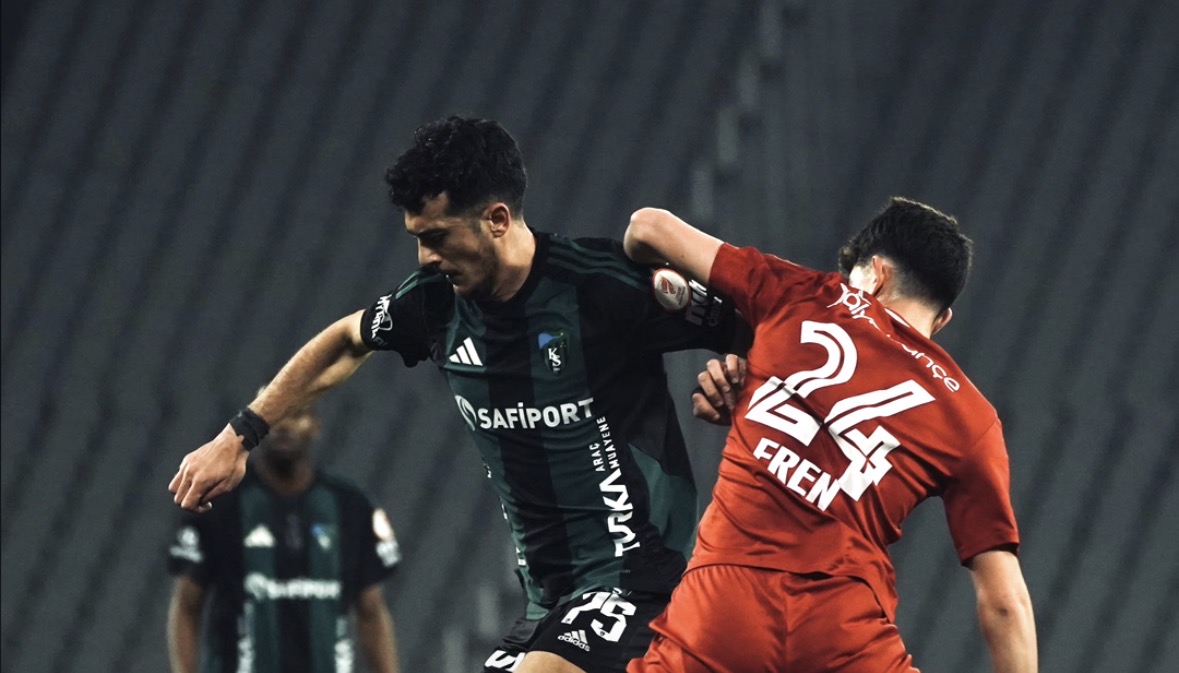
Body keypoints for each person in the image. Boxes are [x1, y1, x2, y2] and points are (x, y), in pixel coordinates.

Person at [168, 116, 746, 673]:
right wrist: (239, 436)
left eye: (438, 237)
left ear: (496, 219)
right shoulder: (435, 305)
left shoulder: (603, 286)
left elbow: (766, 326)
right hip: (548, 604)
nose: (426, 258)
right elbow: (345, 341)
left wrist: (740, 379)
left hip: (636, 581)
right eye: (418, 240)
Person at [622, 200, 1037, 673]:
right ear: (941, 321)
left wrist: (757, 377)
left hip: (722, 610)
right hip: (845, 636)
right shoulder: (972, 418)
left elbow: (648, 227)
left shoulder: (800, 293)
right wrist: (755, 392)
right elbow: (1005, 603)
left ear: (875, 275)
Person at [167, 393, 402, 673]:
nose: (285, 426)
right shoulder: (220, 504)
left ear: (315, 426)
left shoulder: (352, 506)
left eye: (297, 415)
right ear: (258, 428)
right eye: (275, 417)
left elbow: (371, 612)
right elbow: (187, 606)